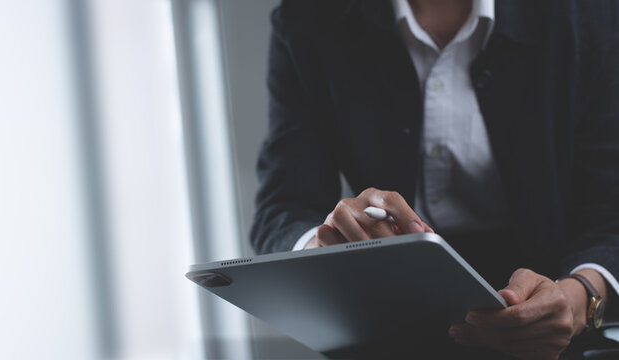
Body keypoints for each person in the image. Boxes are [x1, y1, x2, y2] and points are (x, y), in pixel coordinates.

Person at [250, 0, 619, 358]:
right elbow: (283, 206)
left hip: (553, 314)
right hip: (388, 322)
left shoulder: (589, 14)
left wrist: (576, 298)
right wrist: (323, 246)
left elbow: (608, 208)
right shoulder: (308, 18)